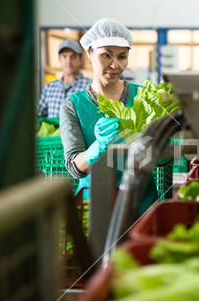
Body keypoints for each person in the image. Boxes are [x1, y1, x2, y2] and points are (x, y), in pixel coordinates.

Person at [59, 17, 159, 215]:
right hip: (96, 204)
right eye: (106, 55)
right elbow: (74, 167)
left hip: (142, 202)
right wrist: (96, 148)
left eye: (122, 56)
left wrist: (156, 144)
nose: (115, 65)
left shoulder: (145, 96)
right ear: (89, 52)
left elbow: (164, 159)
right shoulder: (73, 106)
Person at [37, 39, 91, 118]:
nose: (68, 61)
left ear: (80, 59)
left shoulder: (89, 87)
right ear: (59, 58)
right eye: (64, 56)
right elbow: (38, 114)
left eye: (73, 57)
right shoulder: (50, 87)